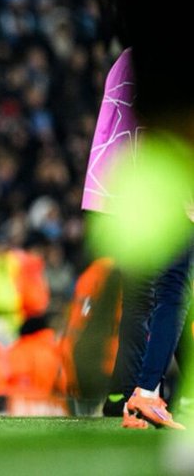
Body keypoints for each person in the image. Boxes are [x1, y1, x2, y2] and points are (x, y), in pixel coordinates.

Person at [82, 48, 191, 430]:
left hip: (125, 191)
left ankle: (127, 395)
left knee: (141, 298)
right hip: (168, 186)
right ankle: (146, 392)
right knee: (175, 290)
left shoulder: (129, 58)